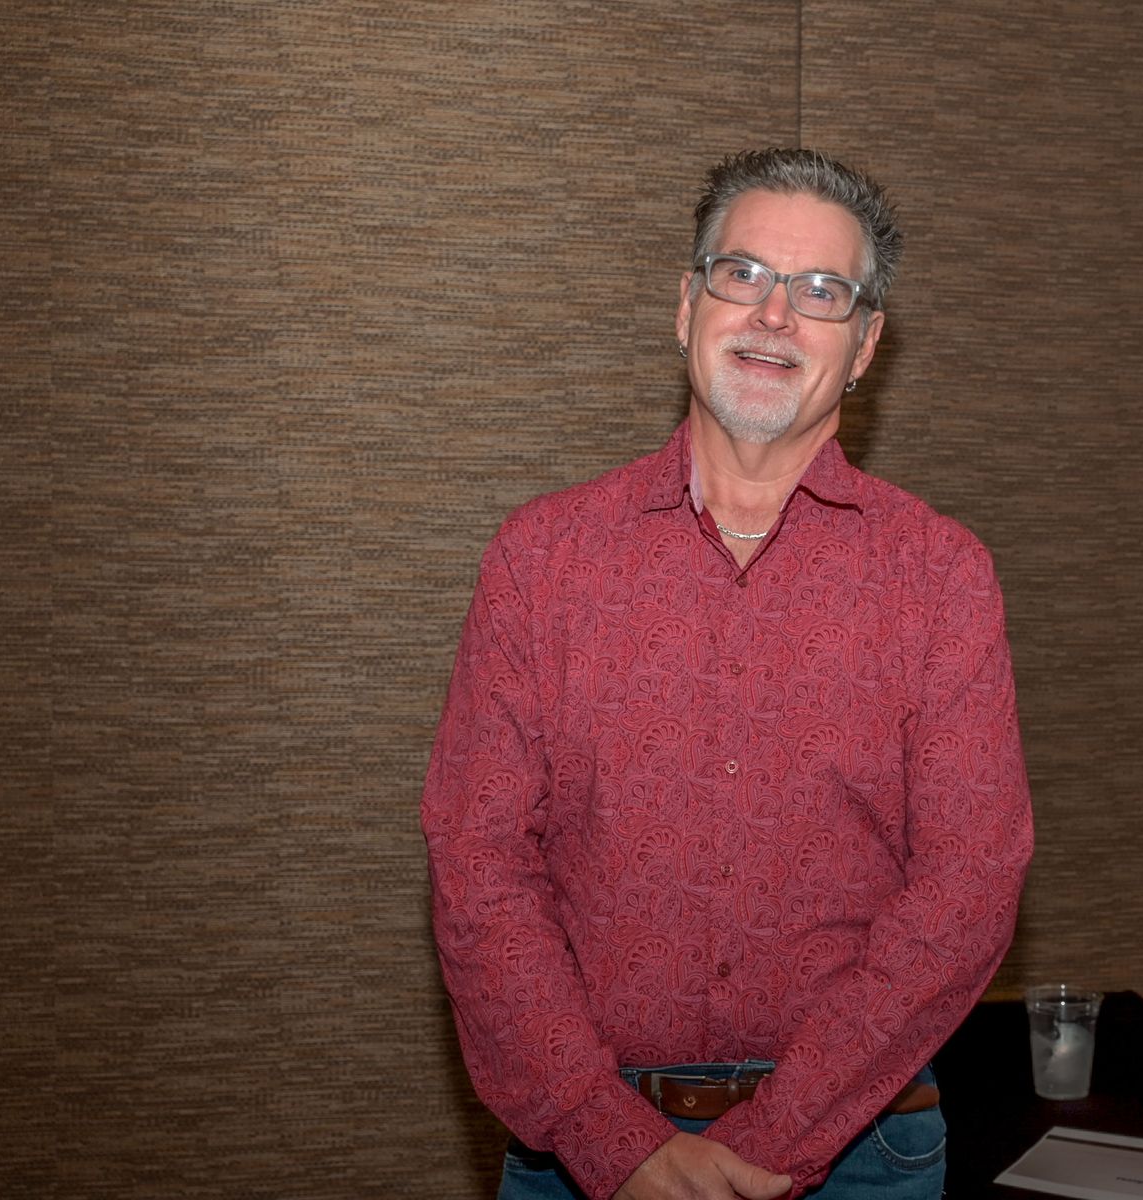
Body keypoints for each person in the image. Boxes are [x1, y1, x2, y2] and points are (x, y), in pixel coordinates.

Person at [421, 147, 1033, 1200]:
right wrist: (610, 1137)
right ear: (686, 306)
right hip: (579, 1153)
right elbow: (477, 862)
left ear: (865, 346)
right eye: (742, 274)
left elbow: (969, 886)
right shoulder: (541, 559)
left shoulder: (941, 577)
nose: (774, 315)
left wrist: (778, 1136)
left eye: (821, 291)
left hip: (860, 1153)